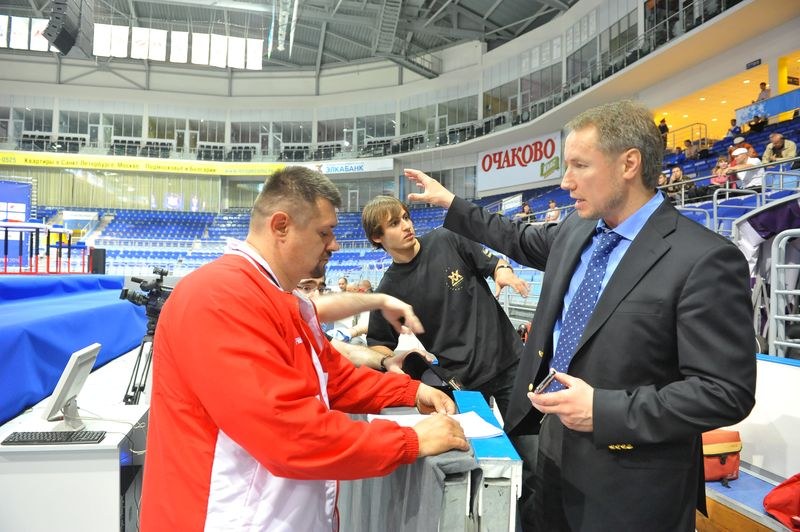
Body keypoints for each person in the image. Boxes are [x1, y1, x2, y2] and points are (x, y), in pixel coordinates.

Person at [404, 99, 756, 531]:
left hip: (633, 487)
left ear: (629, 163)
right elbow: (513, 235)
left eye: (579, 166)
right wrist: (453, 204)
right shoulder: (577, 228)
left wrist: (603, 410)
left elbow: (725, 392)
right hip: (551, 454)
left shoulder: (704, 258)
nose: (567, 182)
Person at [139, 166, 469, 530]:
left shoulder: (278, 297)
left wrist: (411, 390)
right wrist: (410, 440)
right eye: (324, 232)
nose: (335, 245)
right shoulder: (219, 298)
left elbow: (334, 378)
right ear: (281, 226)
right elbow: (287, 434)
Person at [360, 195, 540, 518]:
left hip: (511, 363)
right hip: (464, 386)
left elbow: (493, 262)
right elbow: (378, 345)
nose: (407, 226)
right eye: (394, 223)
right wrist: (394, 361)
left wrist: (502, 271)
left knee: (534, 462)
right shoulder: (388, 291)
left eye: (405, 217)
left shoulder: (446, 239)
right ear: (377, 237)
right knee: (486, 473)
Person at [297, 276, 413, 372]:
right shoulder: (283, 329)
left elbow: (348, 352)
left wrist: (386, 361)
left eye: (321, 290)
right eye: (306, 288)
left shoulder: (312, 329)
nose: (317, 296)